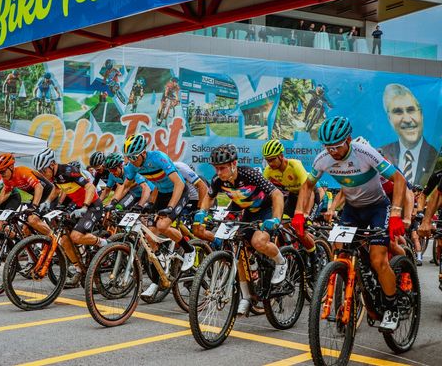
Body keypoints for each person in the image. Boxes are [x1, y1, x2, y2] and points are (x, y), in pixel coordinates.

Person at [292, 116, 407, 331]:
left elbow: (398, 179)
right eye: (328, 147)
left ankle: (392, 307)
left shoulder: (364, 152)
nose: (332, 151)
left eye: (336, 146)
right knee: (339, 250)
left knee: (378, 259)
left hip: (377, 207)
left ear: (348, 139)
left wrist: (397, 214)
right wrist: (299, 213)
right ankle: (348, 294)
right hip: (352, 210)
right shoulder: (322, 159)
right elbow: (307, 186)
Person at [194, 144, 288, 315]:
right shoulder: (217, 180)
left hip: (265, 210)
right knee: (237, 249)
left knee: (258, 241)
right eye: (216, 168)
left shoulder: (249, 174)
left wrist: (276, 219)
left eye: (222, 168)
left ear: (233, 164)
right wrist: (201, 212)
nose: (219, 172)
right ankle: (246, 297)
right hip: (247, 212)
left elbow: (277, 194)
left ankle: (281, 262)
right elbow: (208, 197)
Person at [112, 134, 196, 297]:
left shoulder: (158, 158)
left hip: (178, 192)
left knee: (162, 225)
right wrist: (113, 202)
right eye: (128, 157)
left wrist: (171, 207)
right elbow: (125, 185)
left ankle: (189, 249)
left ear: (143, 153)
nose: (132, 160)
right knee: (149, 233)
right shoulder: (133, 166)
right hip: (162, 194)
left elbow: (179, 183)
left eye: (134, 157)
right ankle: (159, 275)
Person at [33, 148, 106, 279]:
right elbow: (56, 188)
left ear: (51, 164)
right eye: (40, 172)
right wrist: (48, 201)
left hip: (92, 205)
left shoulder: (68, 171)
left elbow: (90, 187)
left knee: (76, 236)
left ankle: (103, 243)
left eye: (43, 170)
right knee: (64, 239)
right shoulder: (54, 176)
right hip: (77, 206)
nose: (43, 174)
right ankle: (79, 269)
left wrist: (85, 206)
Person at [261, 139, 320, 280]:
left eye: (272, 159)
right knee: (281, 225)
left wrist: (305, 213)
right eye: (267, 160)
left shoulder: (295, 165)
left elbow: (308, 190)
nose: (269, 163)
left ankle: (314, 258)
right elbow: (262, 192)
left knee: (300, 229)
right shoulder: (269, 170)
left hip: (310, 195)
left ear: (281, 156)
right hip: (293, 197)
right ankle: (290, 254)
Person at [379, 84, 437, 185]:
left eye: (411, 110)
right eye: (398, 112)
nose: (407, 119)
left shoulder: (436, 157)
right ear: (389, 119)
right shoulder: (379, 156)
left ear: (421, 115)